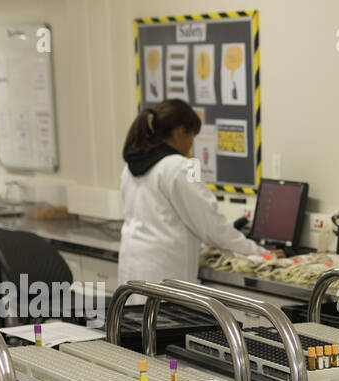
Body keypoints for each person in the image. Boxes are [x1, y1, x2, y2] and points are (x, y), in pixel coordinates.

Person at [117, 99, 277, 288]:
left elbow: (164, 220)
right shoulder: (183, 167)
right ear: (179, 131)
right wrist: (257, 252)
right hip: (165, 276)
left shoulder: (131, 167)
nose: (193, 143)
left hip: (133, 267)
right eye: (192, 135)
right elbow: (211, 225)